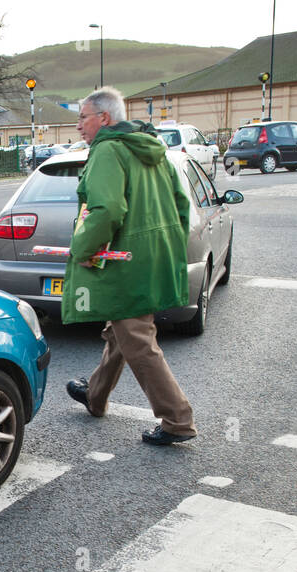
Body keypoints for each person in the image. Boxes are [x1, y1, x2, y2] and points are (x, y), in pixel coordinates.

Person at [61, 86, 197, 446]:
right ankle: (95, 394)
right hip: (154, 254)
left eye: (82, 117)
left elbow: (107, 209)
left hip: (124, 260)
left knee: (136, 337)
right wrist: (169, 246)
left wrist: (80, 247)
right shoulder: (153, 149)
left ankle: (176, 420)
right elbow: (181, 204)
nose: (79, 126)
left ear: (104, 118)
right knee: (122, 327)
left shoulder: (108, 150)